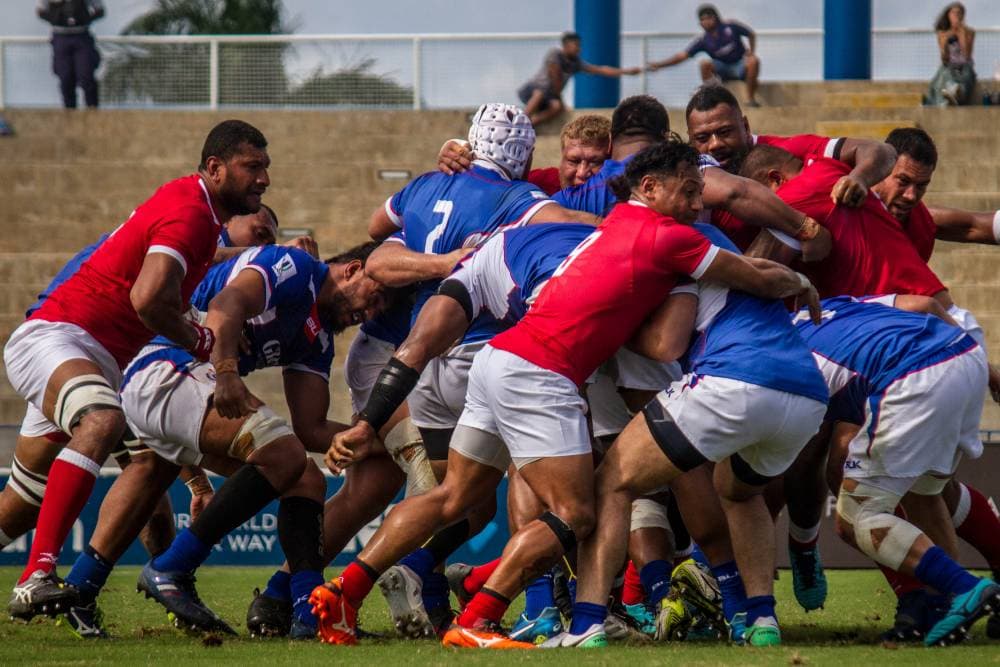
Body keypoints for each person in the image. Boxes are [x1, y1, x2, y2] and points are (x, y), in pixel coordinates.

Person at [311, 139, 818, 650]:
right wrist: (800, 279)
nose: (696, 206)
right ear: (650, 188)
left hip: (495, 357)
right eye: (688, 193)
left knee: (453, 498)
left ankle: (344, 591)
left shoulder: (577, 231)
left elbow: (421, 336)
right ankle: (484, 617)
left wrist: (367, 421)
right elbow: (744, 279)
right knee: (578, 512)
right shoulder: (670, 238)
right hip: (543, 370)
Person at [3, 119, 269, 620]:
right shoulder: (189, 211)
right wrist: (202, 339)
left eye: (266, 168)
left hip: (98, 360)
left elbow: (201, 254)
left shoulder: (195, 212)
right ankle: (36, 576)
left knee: (26, 501)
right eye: (252, 166)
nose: (264, 179)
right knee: (103, 422)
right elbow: (146, 299)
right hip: (60, 338)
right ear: (214, 168)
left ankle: (137, 592)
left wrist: (259, 251)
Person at [107, 241, 384, 638]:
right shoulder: (295, 266)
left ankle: (307, 616)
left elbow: (311, 428)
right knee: (282, 453)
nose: (369, 314)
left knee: (307, 478)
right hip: (160, 367)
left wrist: (384, 442)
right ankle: (171, 567)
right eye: (378, 298)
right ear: (353, 269)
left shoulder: (318, 336)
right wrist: (227, 372)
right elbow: (226, 304)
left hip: (186, 390)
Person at [793, 295, 998, 647]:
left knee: (855, 518)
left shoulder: (776, 353)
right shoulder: (832, 303)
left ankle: (967, 587)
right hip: (964, 354)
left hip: (913, 376)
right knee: (925, 492)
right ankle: (945, 606)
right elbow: (921, 305)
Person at [437, 114, 612, 194]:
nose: (582, 173)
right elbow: (484, 185)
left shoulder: (625, 195)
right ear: (562, 158)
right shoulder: (540, 183)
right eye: (573, 161)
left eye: (595, 162)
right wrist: (455, 153)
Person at [517, 31, 642, 126]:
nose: (578, 49)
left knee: (556, 107)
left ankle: (530, 123)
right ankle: (521, 120)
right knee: (539, 93)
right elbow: (555, 76)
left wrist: (626, 71)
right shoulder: (555, 54)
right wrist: (560, 98)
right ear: (565, 45)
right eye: (575, 45)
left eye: (579, 46)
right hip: (531, 91)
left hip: (550, 96)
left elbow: (600, 70)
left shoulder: (575, 63)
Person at [648, 5, 761, 107]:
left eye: (708, 18)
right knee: (704, 64)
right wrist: (660, 65)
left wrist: (751, 52)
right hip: (722, 70)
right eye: (702, 19)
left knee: (753, 61)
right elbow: (682, 56)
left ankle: (750, 99)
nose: (706, 21)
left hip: (739, 66)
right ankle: (713, 98)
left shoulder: (730, 26)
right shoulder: (703, 40)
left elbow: (751, 34)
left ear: (715, 18)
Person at [36, 0, 104, 109]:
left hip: (82, 36)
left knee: (86, 75)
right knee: (65, 77)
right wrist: (56, 17)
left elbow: (100, 10)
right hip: (60, 37)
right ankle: (70, 112)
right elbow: (41, 11)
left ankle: (92, 110)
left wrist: (84, 18)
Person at [926, 3, 976, 106]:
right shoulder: (942, 34)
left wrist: (961, 32)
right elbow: (944, 58)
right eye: (953, 13)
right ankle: (951, 94)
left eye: (959, 13)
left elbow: (967, 55)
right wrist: (947, 40)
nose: (956, 15)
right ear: (948, 15)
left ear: (963, 16)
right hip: (949, 65)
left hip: (965, 66)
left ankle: (954, 93)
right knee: (945, 73)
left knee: (967, 74)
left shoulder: (969, 32)